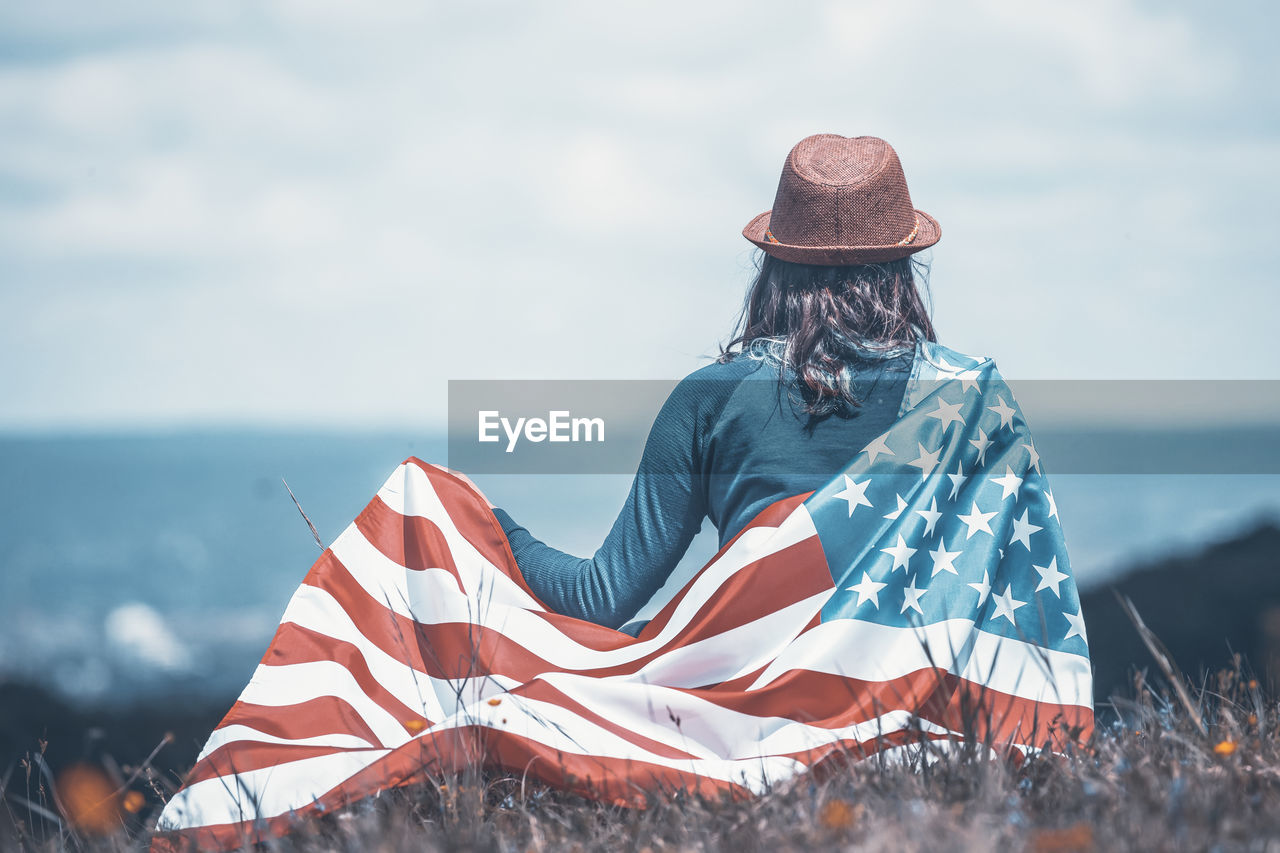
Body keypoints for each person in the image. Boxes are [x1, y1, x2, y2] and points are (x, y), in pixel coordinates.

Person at [491, 134, 943, 631]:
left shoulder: (712, 399)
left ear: (772, 267)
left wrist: (489, 525)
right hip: (916, 700)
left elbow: (600, 597)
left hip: (757, 699)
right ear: (903, 267)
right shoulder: (967, 402)